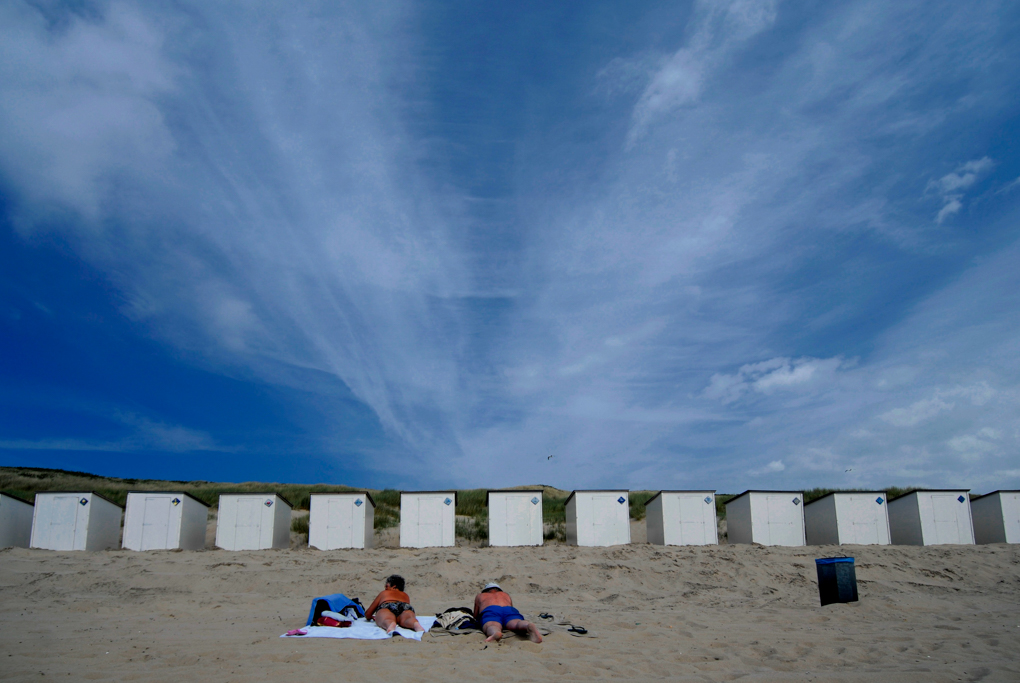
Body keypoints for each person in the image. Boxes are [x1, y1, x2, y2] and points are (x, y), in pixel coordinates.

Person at [473, 582, 542, 643]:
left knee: (492, 625)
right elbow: (511, 606)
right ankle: (527, 625)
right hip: (508, 609)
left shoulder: (480, 595)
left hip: (491, 609)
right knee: (516, 622)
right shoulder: (505, 594)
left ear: (485, 590)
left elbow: (476, 615)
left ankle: (495, 632)